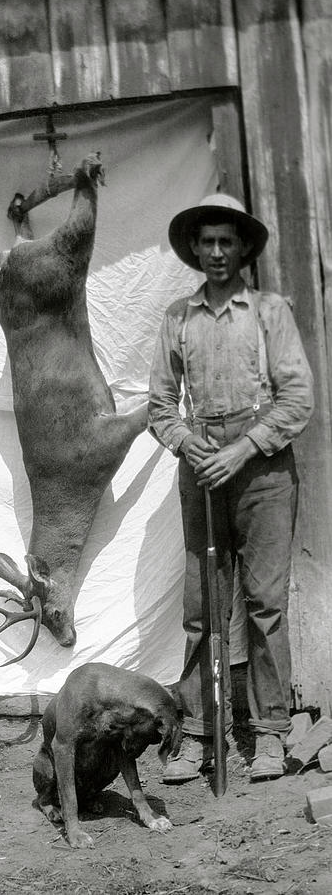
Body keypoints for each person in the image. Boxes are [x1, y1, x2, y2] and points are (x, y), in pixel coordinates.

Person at [148, 194, 314, 782]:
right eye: (207, 242)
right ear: (194, 248)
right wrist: (186, 443)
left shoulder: (270, 311)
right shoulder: (177, 317)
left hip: (263, 471)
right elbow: (160, 406)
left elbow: (298, 400)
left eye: (227, 241)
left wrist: (242, 449)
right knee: (202, 611)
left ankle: (270, 732)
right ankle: (197, 734)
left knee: (266, 606)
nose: (217, 252)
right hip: (202, 470)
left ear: (243, 247)